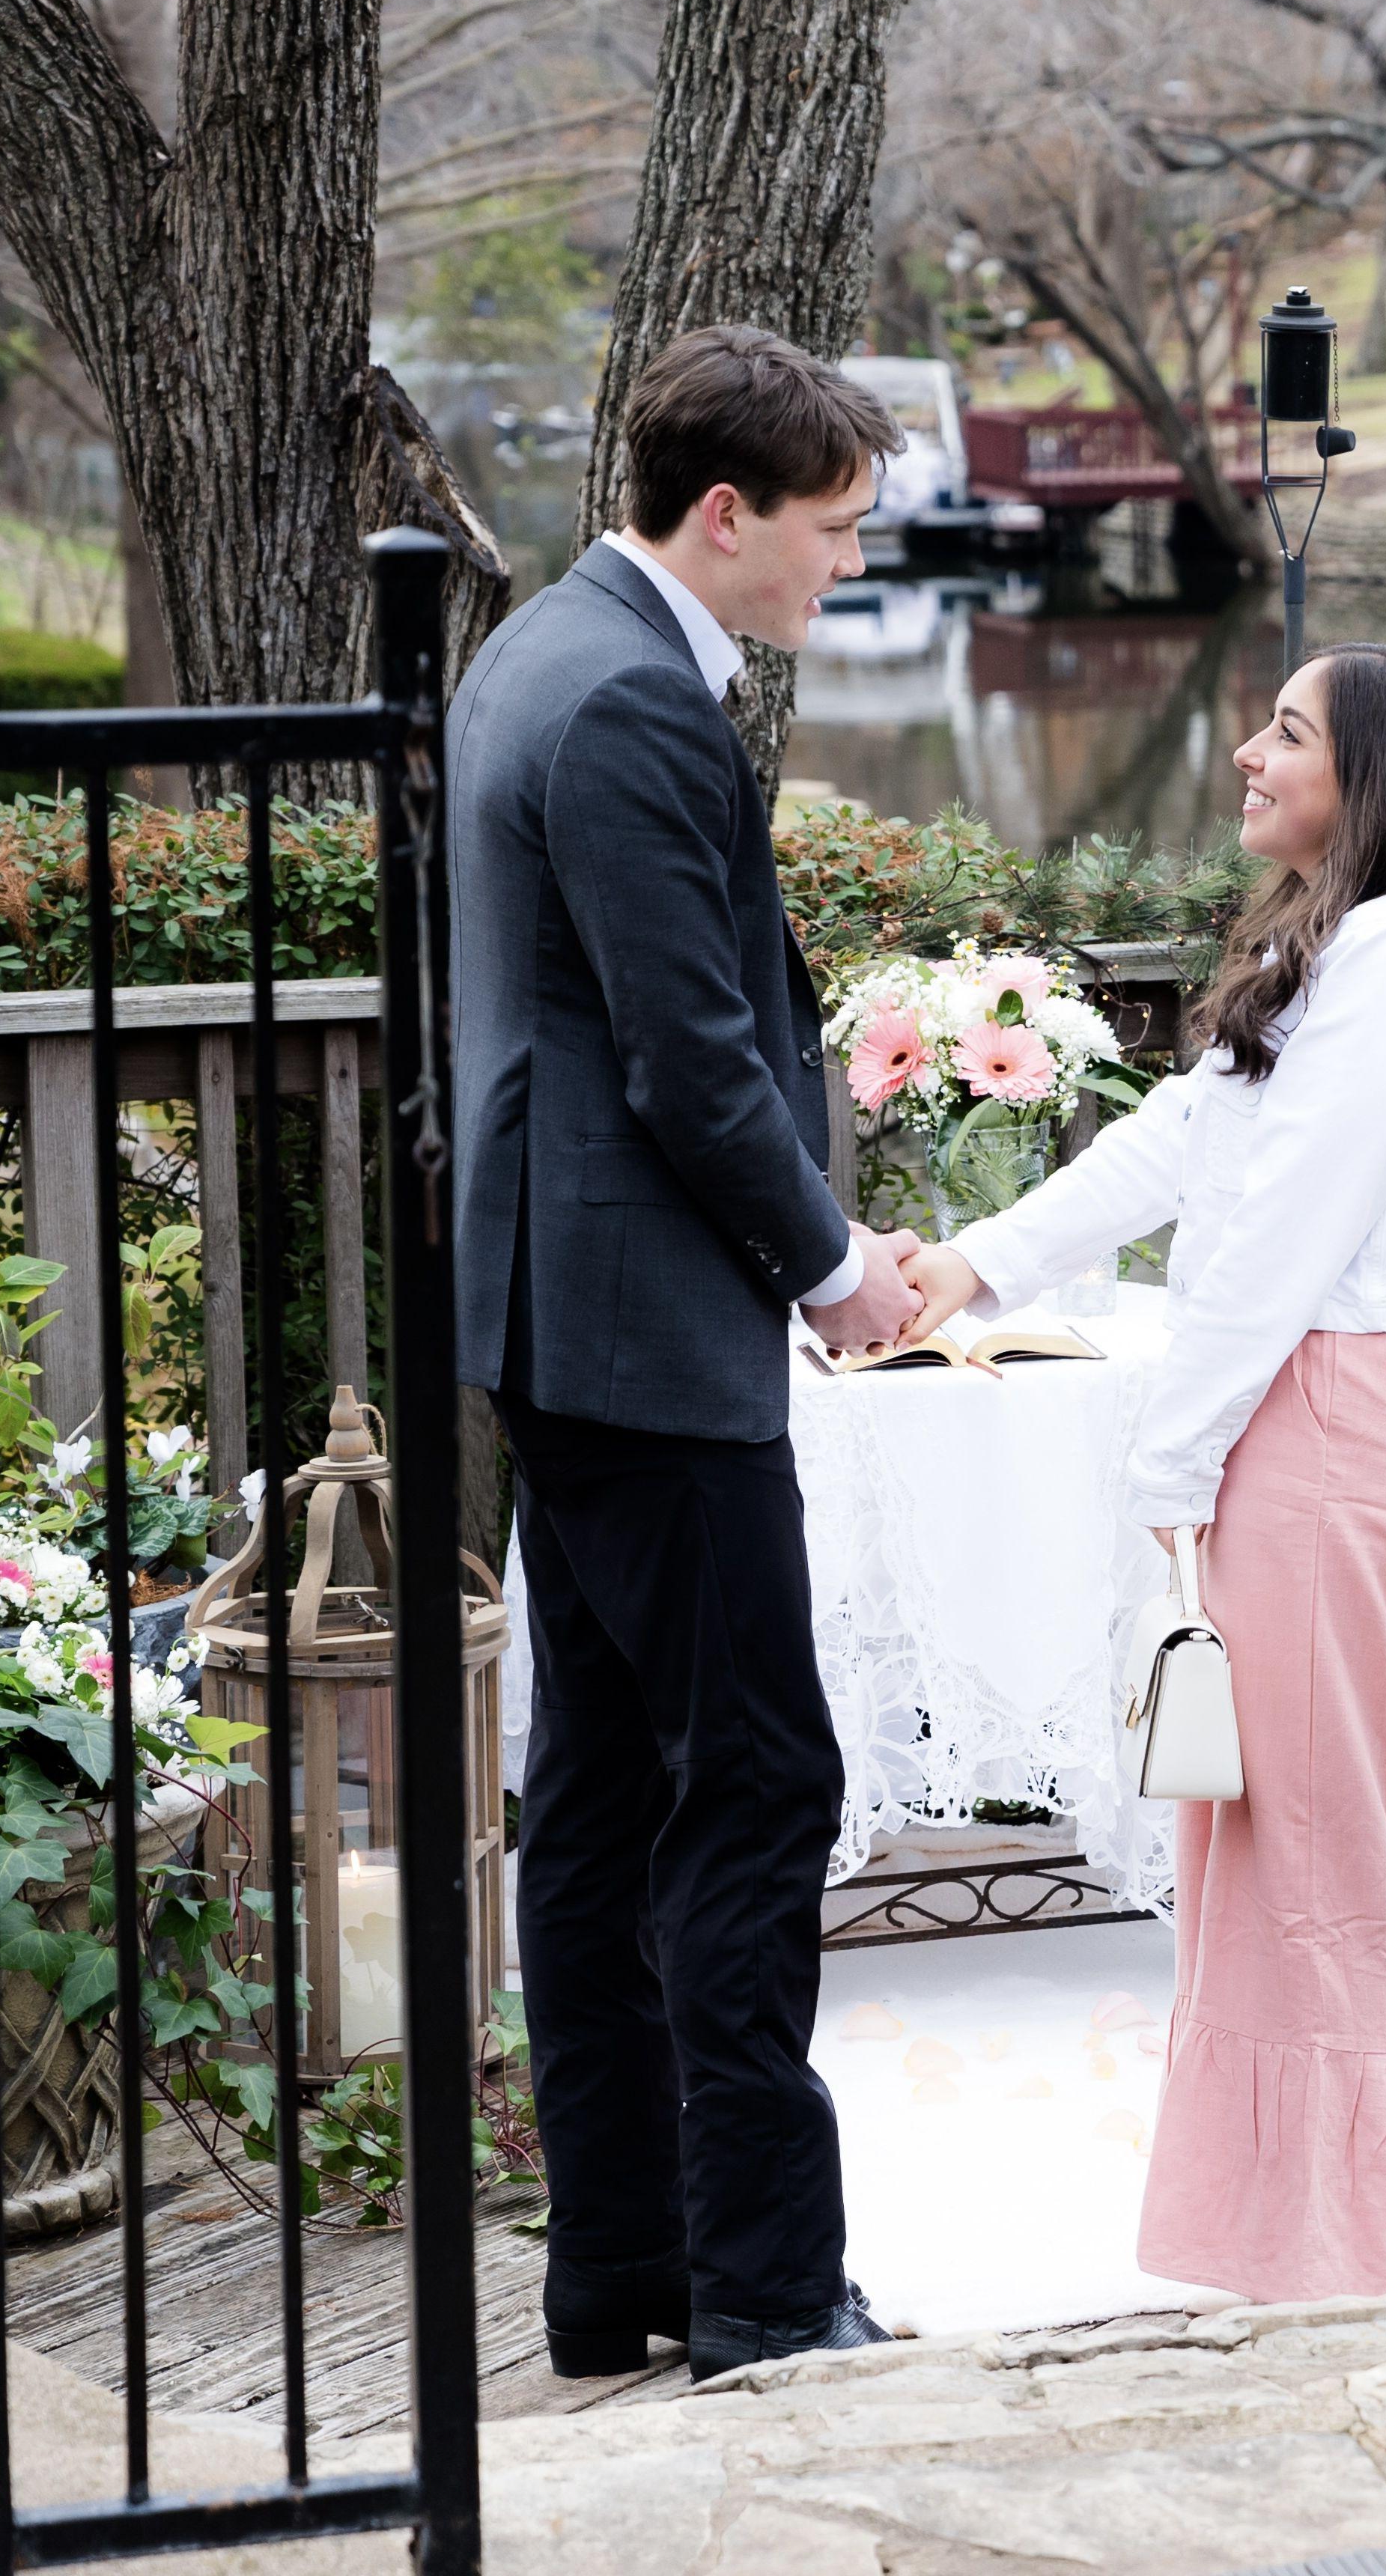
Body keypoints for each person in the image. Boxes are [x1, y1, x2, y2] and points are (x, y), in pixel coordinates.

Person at [895, 642, 1386, 2306]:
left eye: (1288, 730)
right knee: (1258, 1841)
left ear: (1379, 778)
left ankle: (1357, 2255)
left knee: (1316, 1858)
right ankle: (1273, 2234)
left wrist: (1171, 1457)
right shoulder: (1358, 942)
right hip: (1318, 1418)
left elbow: (1286, 1232)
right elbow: (1185, 1140)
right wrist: (975, 1266)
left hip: (1330, 1421)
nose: (1245, 752)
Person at [446, 324, 921, 2385]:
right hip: (643, 1333)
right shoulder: (634, 697)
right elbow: (690, 1062)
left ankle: (619, 2268)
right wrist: (829, 1265)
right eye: (831, 529)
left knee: (602, 1799)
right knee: (751, 1785)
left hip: (564, 1317)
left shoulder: (534, 653)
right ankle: (764, 2291)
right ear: (723, 514)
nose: (845, 565)